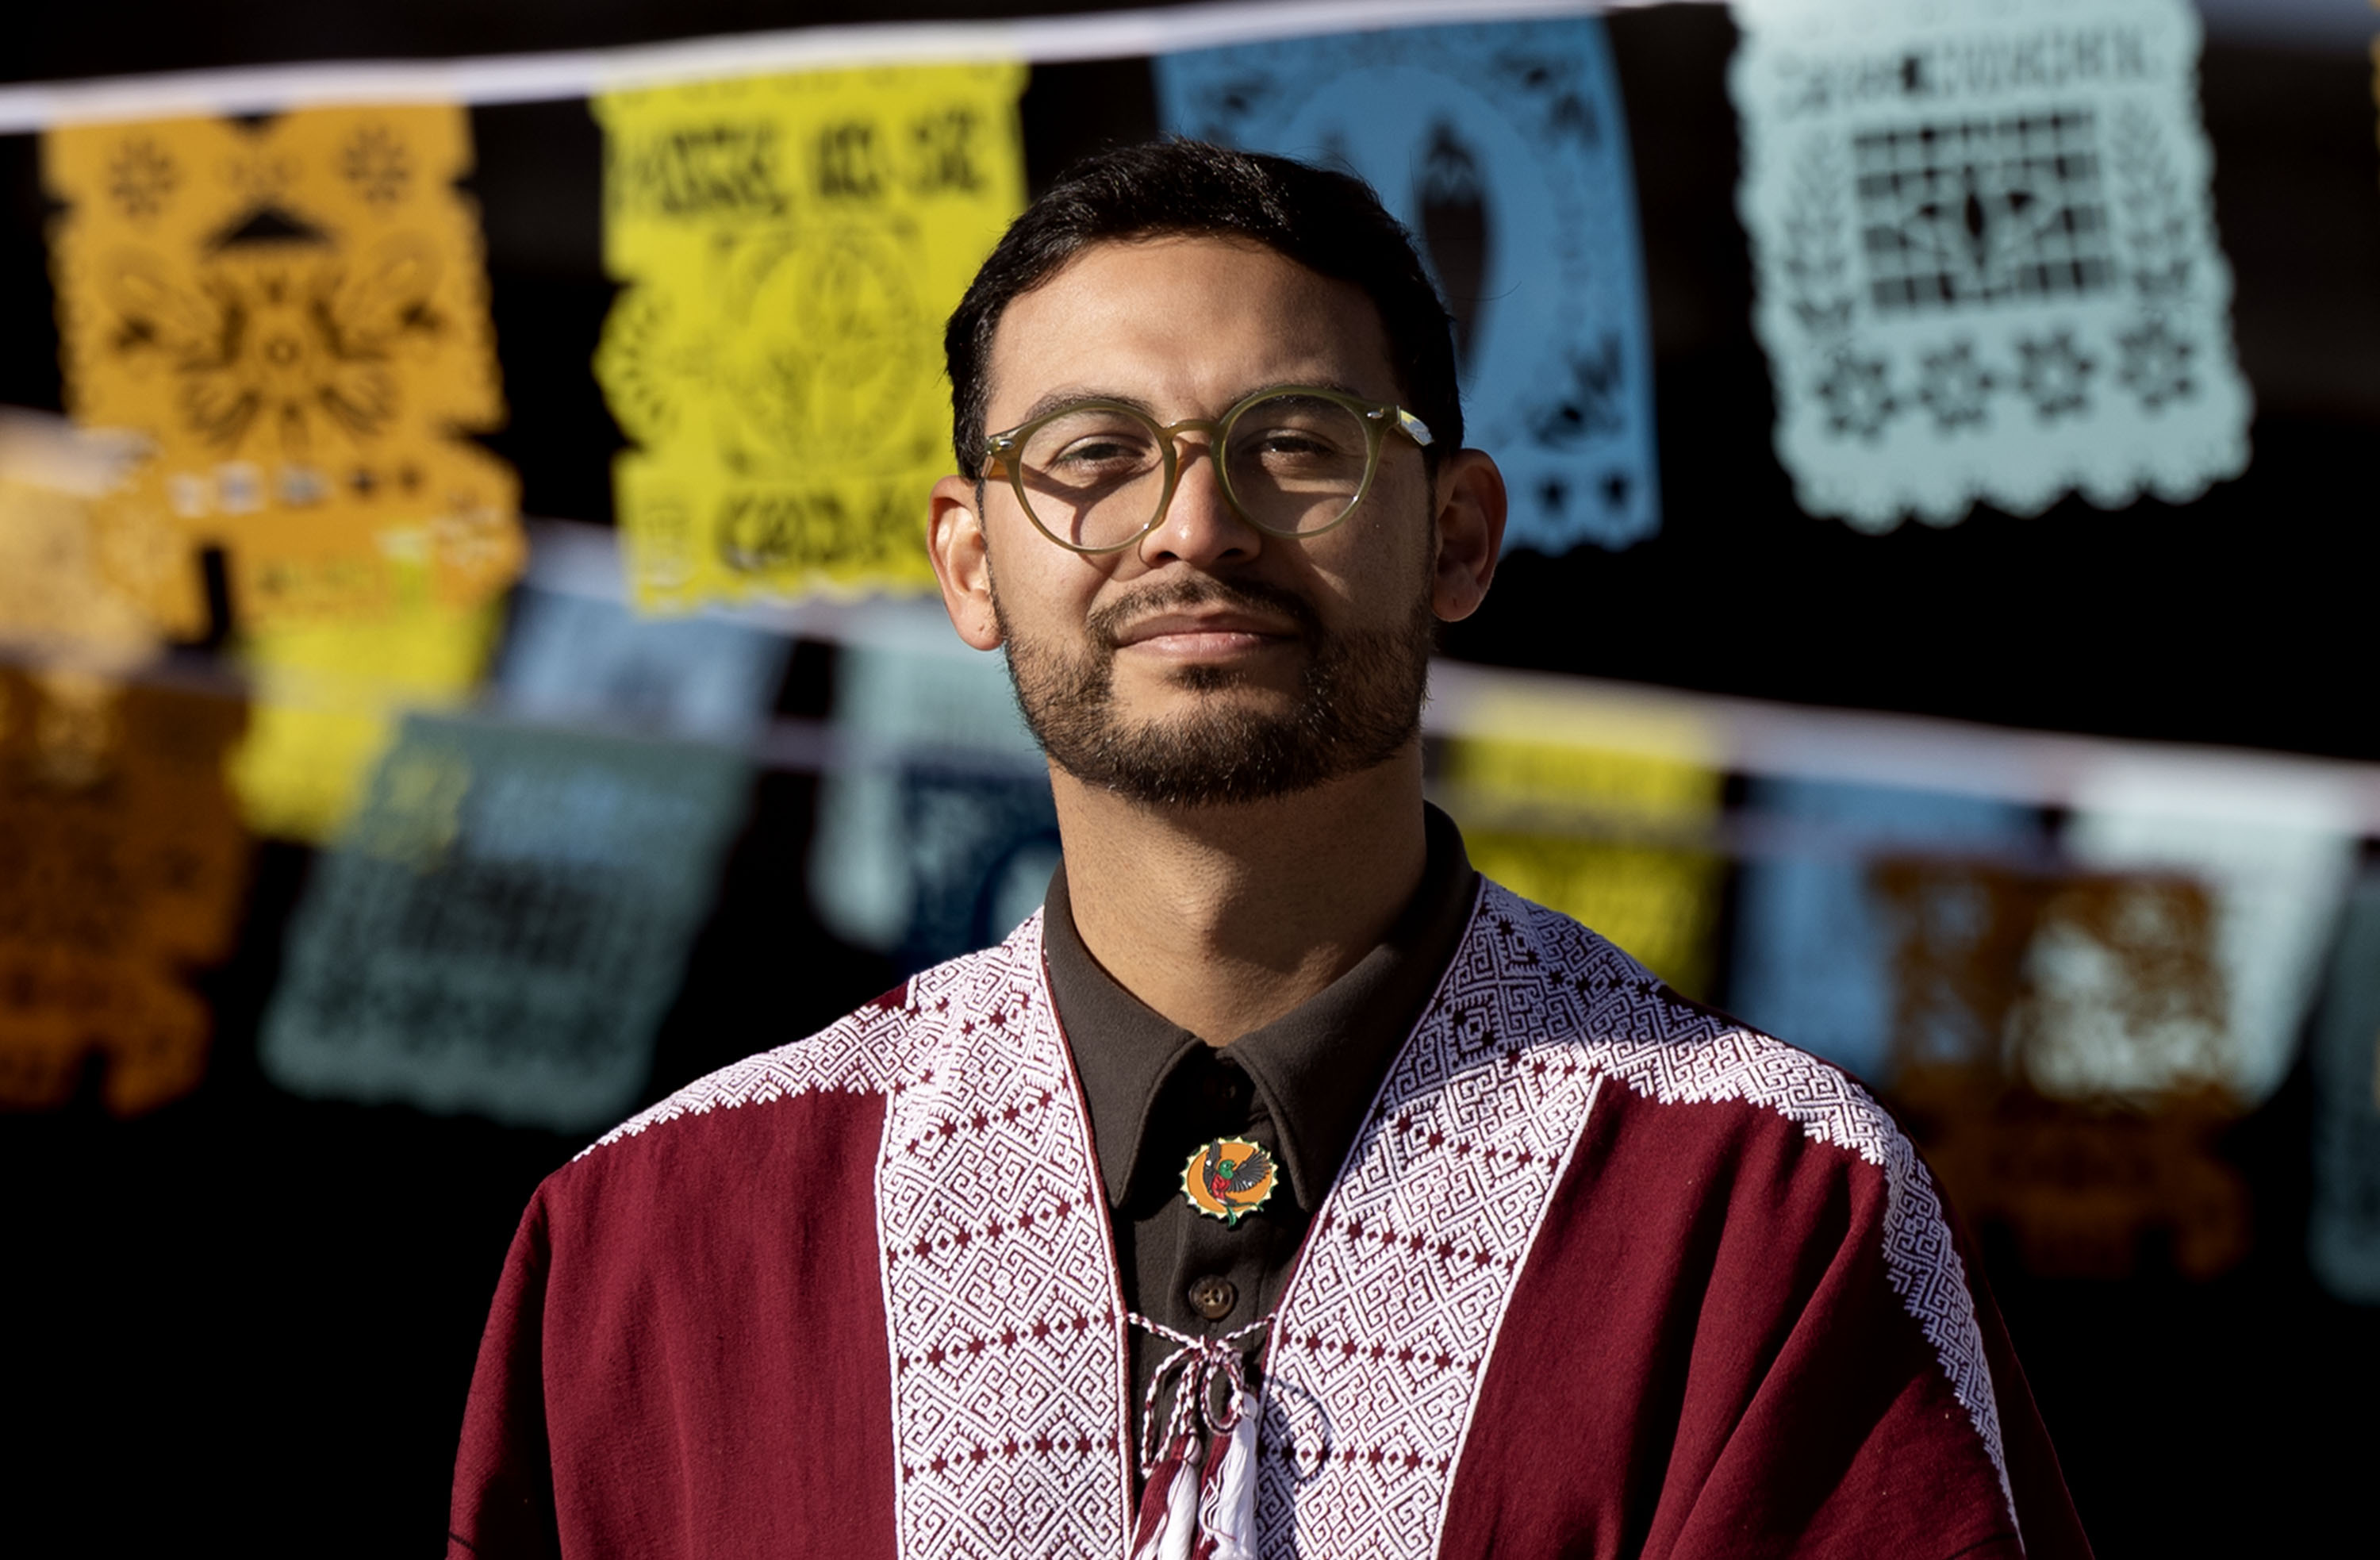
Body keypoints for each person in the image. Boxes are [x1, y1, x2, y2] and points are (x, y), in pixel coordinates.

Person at [447, 140, 2090, 1560]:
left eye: (1297, 444)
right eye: (1091, 457)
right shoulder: (659, 1247)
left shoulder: (1761, 1209)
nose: (1194, 527)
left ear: (1454, 534)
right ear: (967, 563)